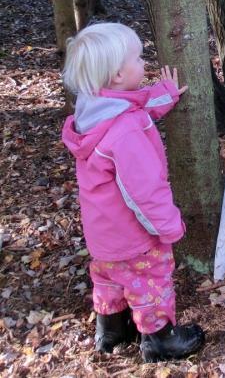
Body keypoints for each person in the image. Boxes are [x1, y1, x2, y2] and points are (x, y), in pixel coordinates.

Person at [61, 22, 205, 363]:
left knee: (110, 280)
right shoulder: (126, 132)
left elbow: (131, 106)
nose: (145, 63)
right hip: (134, 236)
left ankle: (111, 331)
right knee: (149, 280)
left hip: (102, 236)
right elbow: (144, 190)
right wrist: (168, 226)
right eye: (138, 59)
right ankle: (160, 340)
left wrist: (164, 94)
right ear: (115, 75)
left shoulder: (92, 110)